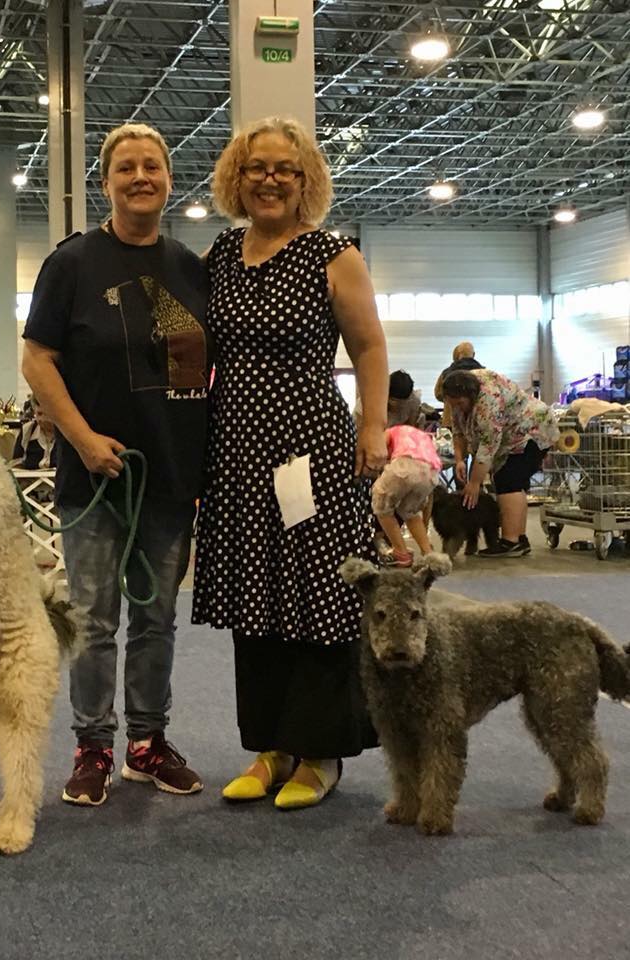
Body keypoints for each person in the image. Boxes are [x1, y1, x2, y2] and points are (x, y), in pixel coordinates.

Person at [192, 116, 389, 810]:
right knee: (257, 596)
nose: (270, 179)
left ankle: (321, 753)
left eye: (284, 169)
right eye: (256, 168)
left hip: (311, 446)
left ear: (305, 181)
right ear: (235, 179)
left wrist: (374, 426)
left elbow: (368, 348)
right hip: (238, 449)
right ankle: (270, 746)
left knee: (319, 595)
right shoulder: (217, 255)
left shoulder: (333, 254)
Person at [21, 122, 211, 807]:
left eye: (152, 166)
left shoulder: (190, 268)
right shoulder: (71, 264)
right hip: (95, 482)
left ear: (167, 179)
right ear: (106, 182)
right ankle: (93, 746)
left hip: (168, 479)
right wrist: (82, 439)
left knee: (157, 620)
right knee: (96, 622)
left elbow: (196, 373)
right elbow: (37, 359)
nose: (140, 177)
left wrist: (194, 471)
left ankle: (147, 744)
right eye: (126, 167)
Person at [442, 368, 559, 558]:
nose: (456, 407)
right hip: (512, 437)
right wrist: (459, 460)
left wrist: (474, 483)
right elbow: (458, 431)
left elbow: (487, 448)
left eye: (459, 403)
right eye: (451, 403)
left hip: (532, 430)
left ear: (470, 395)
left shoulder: (489, 401)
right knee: (513, 481)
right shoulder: (456, 399)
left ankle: (510, 542)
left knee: (508, 479)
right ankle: (519, 539)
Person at [371, 424, 441, 567]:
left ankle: (400, 552)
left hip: (404, 466)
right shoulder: (418, 434)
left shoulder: (390, 432)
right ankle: (428, 553)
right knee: (410, 512)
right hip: (431, 473)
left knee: (381, 506)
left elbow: (380, 452)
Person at [434, 341, 484, 429]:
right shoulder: (484, 374)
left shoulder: (446, 373)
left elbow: (438, 394)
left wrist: (453, 400)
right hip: (476, 420)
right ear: (474, 354)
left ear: (456, 356)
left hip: (450, 421)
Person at [355, 369, 422, 430]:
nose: (399, 407)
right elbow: (362, 430)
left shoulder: (413, 401)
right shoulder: (369, 400)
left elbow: (409, 429)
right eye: (396, 403)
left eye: (402, 404)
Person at [12, 394, 56, 470]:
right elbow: (16, 465)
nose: (41, 419)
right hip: (28, 481)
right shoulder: (27, 430)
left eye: (46, 414)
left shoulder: (68, 434)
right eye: (39, 414)